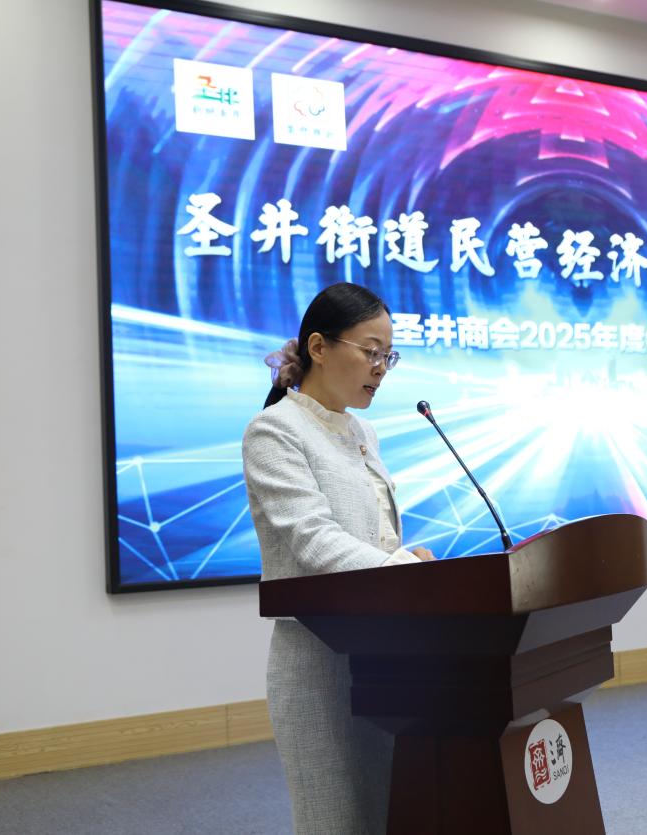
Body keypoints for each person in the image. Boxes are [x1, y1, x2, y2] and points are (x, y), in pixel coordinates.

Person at [241, 282, 434, 835]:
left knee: (392, 811)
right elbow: (314, 540)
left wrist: (405, 555)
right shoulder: (274, 431)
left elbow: (372, 535)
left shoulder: (362, 430)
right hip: (319, 660)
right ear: (319, 347)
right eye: (370, 351)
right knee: (334, 818)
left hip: (386, 654)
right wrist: (401, 569)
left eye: (388, 356)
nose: (380, 368)